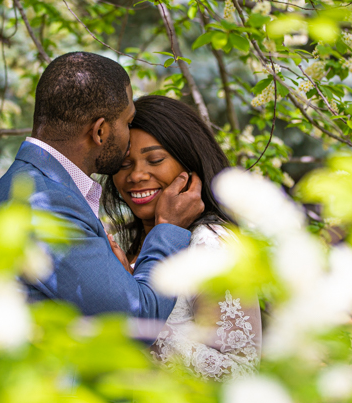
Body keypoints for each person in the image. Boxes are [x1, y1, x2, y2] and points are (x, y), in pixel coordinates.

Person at [0, 52, 205, 317]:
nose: (129, 138)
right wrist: (169, 228)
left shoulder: (24, 185)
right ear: (100, 131)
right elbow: (136, 320)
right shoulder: (47, 203)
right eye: (127, 123)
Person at [101, 95, 262, 380]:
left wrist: (139, 323)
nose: (136, 175)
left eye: (155, 159)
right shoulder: (137, 244)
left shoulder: (210, 246)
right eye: (124, 164)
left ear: (189, 164)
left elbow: (241, 371)